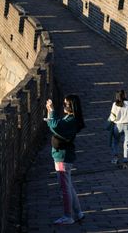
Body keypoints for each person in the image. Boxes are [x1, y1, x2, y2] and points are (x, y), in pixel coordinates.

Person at [46, 95, 85, 225]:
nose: (63, 106)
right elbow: (53, 125)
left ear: (71, 106)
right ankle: (78, 213)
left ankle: (68, 216)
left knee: (65, 188)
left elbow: (56, 126)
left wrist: (51, 111)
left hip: (62, 156)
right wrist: (49, 112)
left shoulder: (71, 120)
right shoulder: (69, 118)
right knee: (68, 186)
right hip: (62, 155)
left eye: (65, 104)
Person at [109, 90, 128, 166]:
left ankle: (115, 158)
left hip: (118, 126)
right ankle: (125, 160)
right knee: (127, 143)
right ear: (124, 95)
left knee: (116, 142)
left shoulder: (114, 104)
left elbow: (112, 118)